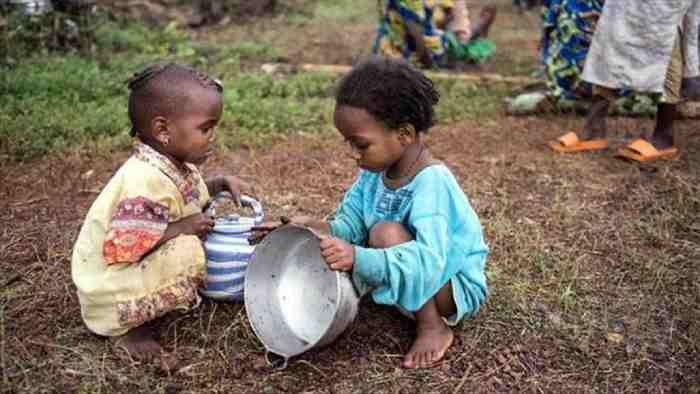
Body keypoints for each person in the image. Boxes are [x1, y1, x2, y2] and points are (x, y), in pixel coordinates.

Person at [253, 57, 489, 369]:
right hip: (412, 272)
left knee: (385, 232)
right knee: (375, 233)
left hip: (450, 286)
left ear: (404, 134)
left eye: (361, 145)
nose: (353, 154)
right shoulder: (374, 172)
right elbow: (350, 223)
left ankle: (433, 326)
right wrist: (307, 228)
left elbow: (431, 262)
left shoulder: (432, 183)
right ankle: (405, 299)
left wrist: (359, 258)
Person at [71, 63, 248, 363]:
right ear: (163, 130)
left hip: (126, 273)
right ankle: (129, 330)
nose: (212, 136)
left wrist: (217, 184)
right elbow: (125, 247)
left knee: (191, 240)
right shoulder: (144, 180)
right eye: (205, 128)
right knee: (187, 249)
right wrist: (182, 227)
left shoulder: (172, 163)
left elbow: (180, 198)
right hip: (110, 288)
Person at [549, 0, 700, 161]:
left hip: (665, 13)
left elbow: (692, 19)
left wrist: (691, 71)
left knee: (668, 53)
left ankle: (663, 137)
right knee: (608, 53)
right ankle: (593, 130)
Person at [374, 0, 498, 69]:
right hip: (408, 50)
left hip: (428, 38)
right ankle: (474, 33)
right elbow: (415, 34)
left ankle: (471, 34)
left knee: (453, 42)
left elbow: (448, 14)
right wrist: (431, 64)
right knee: (456, 50)